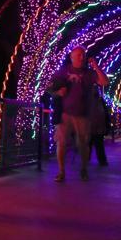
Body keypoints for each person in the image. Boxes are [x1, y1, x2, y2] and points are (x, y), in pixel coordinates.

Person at [48, 46, 109, 182]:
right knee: (61, 142)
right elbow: (49, 88)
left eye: (83, 55)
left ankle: (84, 169)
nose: (82, 57)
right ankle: (61, 171)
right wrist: (58, 92)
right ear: (72, 57)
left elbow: (105, 82)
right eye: (79, 55)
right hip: (64, 113)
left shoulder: (89, 73)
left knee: (83, 144)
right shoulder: (63, 71)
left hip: (83, 114)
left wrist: (96, 66)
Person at [88, 87, 109, 166]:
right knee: (98, 144)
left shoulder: (89, 100)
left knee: (91, 144)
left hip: (93, 126)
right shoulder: (100, 101)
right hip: (97, 126)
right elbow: (105, 113)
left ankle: (87, 159)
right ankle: (102, 161)